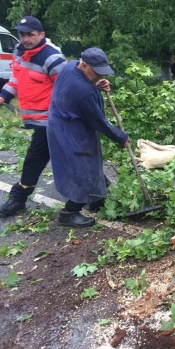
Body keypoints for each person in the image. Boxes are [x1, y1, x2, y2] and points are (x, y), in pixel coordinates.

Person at [47, 48, 129, 227]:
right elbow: (99, 121)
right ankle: (70, 212)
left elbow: (83, 90)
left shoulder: (70, 67)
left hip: (61, 123)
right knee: (82, 168)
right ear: (84, 65)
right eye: (97, 73)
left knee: (91, 164)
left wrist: (95, 85)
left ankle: (97, 199)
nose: (100, 76)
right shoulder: (83, 91)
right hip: (70, 131)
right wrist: (121, 137)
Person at [0, 16, 66, 218]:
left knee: (35, 161)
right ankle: (98, 194)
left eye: (31, 34)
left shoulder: (53, 58)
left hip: (52, 121)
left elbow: (68, 89)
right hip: (36, 120)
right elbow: (16, 79)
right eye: (22, 34)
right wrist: (4, 96)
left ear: (42, 35)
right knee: (72, 156)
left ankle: (18, 199)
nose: (25, 38)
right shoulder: (20, 51)